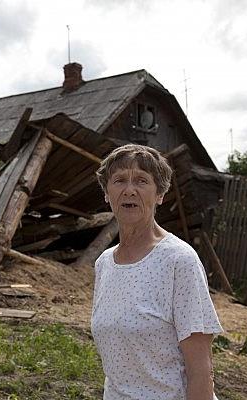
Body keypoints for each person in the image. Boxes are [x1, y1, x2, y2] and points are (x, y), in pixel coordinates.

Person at [91, 144, 223, 400]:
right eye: (119, 181)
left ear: (160, 194)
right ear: (107, 193)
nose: (129, 190)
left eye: (141, 181)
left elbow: (201, 370)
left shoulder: (179, 261)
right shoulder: (104, 264)